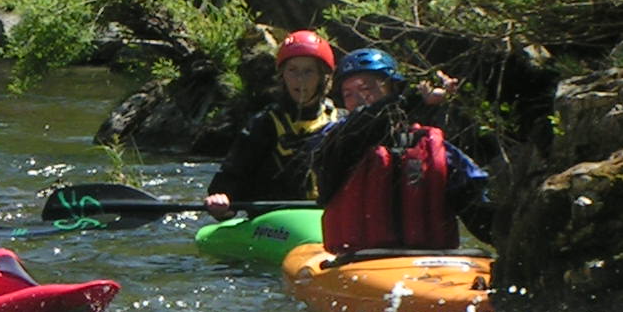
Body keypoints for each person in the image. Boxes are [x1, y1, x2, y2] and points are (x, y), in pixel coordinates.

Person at [307, 47, 492, 252]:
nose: (358, 100)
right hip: (356, 260)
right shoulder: (335, 140)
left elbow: (482, 218)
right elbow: (364, 127)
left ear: (392, 89)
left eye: (367, 89)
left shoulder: (434, 150)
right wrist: (413, 98)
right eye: (348, 94)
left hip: (427, 264)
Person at [204, 29, 339, 217]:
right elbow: (229, 181)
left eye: (309, 71)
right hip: (272, 222)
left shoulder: (341, 123)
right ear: (283, 75)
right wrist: (222, 203)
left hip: (324, 220)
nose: (300, 80)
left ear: (322, 78)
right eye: (293, 70)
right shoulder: (263, 125)